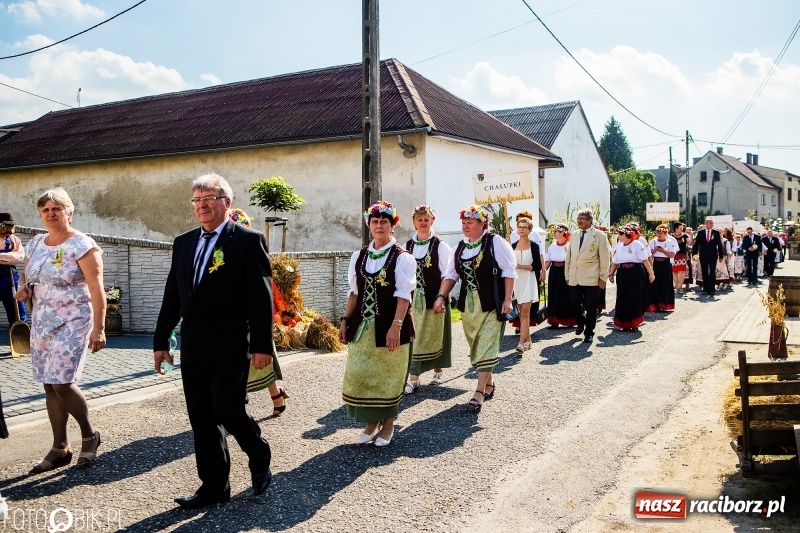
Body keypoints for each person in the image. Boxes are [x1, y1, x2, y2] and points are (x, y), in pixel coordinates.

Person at [153, 174, 274, 509]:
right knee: (201, 418)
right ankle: (213, 486)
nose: (202, 205)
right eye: (196, 199)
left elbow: (260, 298)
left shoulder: (247, 241)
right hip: (193, 344)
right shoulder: (184, 242)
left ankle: (258, 452)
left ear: (227, 202)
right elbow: (173, 296)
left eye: (209, 198)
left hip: (231, 343)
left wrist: (262, 345)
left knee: (227, 409)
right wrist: (160, 341)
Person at [14, 189, 105, 473]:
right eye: (45, 210)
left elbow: (96, 288)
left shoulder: (82, 245)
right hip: (43, 320)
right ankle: (60, 446)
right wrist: (23, 288)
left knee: (62, 383)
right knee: (48, 383)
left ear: (69, 212)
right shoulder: (37, 243)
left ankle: (90, 435)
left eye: (57, 208)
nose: (51, 214)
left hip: (74, 320)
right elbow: (27, 275)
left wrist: (99, 329)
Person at [339, 201, 414, 446]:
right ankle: (372, 420)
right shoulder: (359, 256)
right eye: (375, 222)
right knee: (361, 373)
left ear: (393, 226)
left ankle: (388, 422)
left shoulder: (403, 258)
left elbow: (404, 296)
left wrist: (396, 326)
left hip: (389, 326)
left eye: (384, 222)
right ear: (369, 225)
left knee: (388, 375)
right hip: (363, 327)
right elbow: (354, 293)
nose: (379, 226)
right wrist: (344, 321)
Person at [435, 205, 516, 413]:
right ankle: (489, 383)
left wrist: (508, 299)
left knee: (486, 345)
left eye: (470, 222)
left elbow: (508, 272)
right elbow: (451, 276)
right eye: (463, 223)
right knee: (476, 346)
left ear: (482, 224)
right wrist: (441, 297)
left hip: (491, 303)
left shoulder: (495, 243)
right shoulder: (459, 248)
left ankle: (479, 391)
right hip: (469, 306)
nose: (465, 226)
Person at [228, 208, 289, 417]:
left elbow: (263, 290)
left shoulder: (253, 251)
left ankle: (276, 396)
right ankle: (242, 403)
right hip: (229, 322)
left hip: (252, 319)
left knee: (261, 363)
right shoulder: (219, 256)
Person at [404, 205, 452, 394]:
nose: (423, 223)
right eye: (420, 220)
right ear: (414, 223)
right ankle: (413, 379)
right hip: (413, 302)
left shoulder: (441, 246)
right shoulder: (407, 246)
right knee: (415, 337)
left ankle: (437, 370)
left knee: (435, 337)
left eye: (426, 219)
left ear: (432, 220)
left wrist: (441, 297)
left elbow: (448, 275)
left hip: (434, 301)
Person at [564, 209, 609, 344]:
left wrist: (603, 277)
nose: (579, 220)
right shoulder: (574, 235)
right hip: (575, 276)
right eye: (578, 218)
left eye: (582, 218)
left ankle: (589, 332)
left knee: (591, 306)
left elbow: (605, 258)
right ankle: (581, 320)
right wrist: (567, 274)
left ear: (590, 220)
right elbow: (569, 256)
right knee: (573, 303)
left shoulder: (600, 236)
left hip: (592, 277)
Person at [608, 226, 655, 331]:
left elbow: (645, 260)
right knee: (622, 296)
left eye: (619, 235)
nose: (618, 237)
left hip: (635, 272)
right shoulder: (619, 246)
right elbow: (615, 262)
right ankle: (623, 322)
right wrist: (611, 273)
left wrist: (651, 273)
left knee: (634, 296)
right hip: (623, 274)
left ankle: (634, 322)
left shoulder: (637, 244)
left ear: (624, 235)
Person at [512, 217, 543, 354]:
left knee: (525, 312)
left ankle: (521, 343)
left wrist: (520, 266)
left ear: (529, 230)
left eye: (524, 227)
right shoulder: (512, 245)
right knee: (521, 312)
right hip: (517, 281)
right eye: (520, 227)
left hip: (529, 280)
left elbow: (537, 265)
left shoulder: (534, 246)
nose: (521, 229)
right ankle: (528, 339)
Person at [544, 224, 576, 329]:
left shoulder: (570, 245)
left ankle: (569, 319)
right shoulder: (552, 246)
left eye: (556, 231)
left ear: (563, 232)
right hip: (554, 272)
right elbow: (548, 260)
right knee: (554, 294)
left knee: (566, 294)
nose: (554, 233)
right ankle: (554, 320)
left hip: (565, 271)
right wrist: (543, 271)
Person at [0, 213, 27, 325]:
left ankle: (18, 336)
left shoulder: (14, 240)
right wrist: (9, 256)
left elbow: (19, 257)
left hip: (10, 277)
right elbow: (13, 256)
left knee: (17, 310)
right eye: (5, 226)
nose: (9, 229)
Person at [691, 218, 725, 296]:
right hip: (703, 255)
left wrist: (721, 256)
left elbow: (719, 245)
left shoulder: (716, 233)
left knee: (712, 271)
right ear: (706, 224)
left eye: (712, 223)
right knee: (704, 271)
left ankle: (712, 289)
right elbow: (696, 245)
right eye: (709, 223)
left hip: (713, 255)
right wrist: (694, 254)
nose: (711, 225)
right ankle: (706, 288)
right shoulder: (700, 233)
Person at [648, 224, 677, 312]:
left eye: (661, 233)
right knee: (655, 284)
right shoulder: (653, 241)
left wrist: (663, 251)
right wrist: (655, 250)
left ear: (665, 234)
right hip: (656, 263)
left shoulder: (669, 242)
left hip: (665, 263)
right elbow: (648, 254)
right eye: (658, 233)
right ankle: (655, 303)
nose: (659, 234)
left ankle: (664, 303)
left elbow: (672, 254)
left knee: (665, 283)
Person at [672, 223, 690, 294]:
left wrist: (691, 236)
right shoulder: (671, 237)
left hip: (682, 255)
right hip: (673, 255)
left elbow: (689, 244)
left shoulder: (685, 236)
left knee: (682, 271)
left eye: (682, 228)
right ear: (676, 229)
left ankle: (680, 286)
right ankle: (676, 286)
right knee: (675, 271)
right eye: (680, 228)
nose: (682, 229)